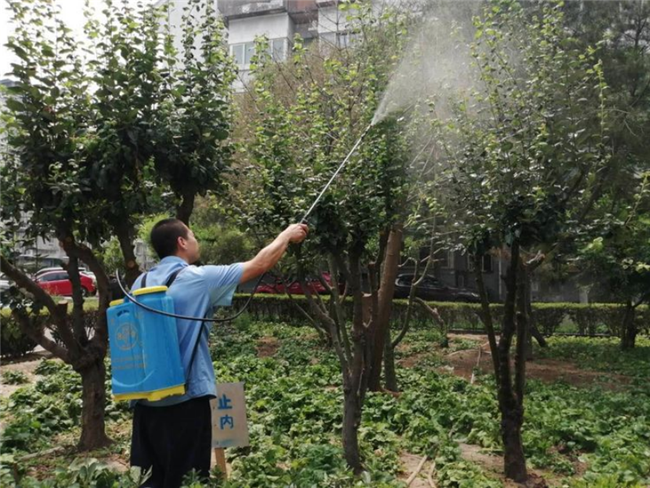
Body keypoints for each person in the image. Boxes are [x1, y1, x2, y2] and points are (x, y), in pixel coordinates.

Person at [129, 218, 308, 487]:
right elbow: (259, 265)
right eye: (192, 235)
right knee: (189, 479)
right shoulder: (198, 279)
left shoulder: (138, 284)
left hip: (145, 402)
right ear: (181, 242)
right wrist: (287, 234)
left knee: (152, 480)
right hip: (186, 402)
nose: (195, 240)